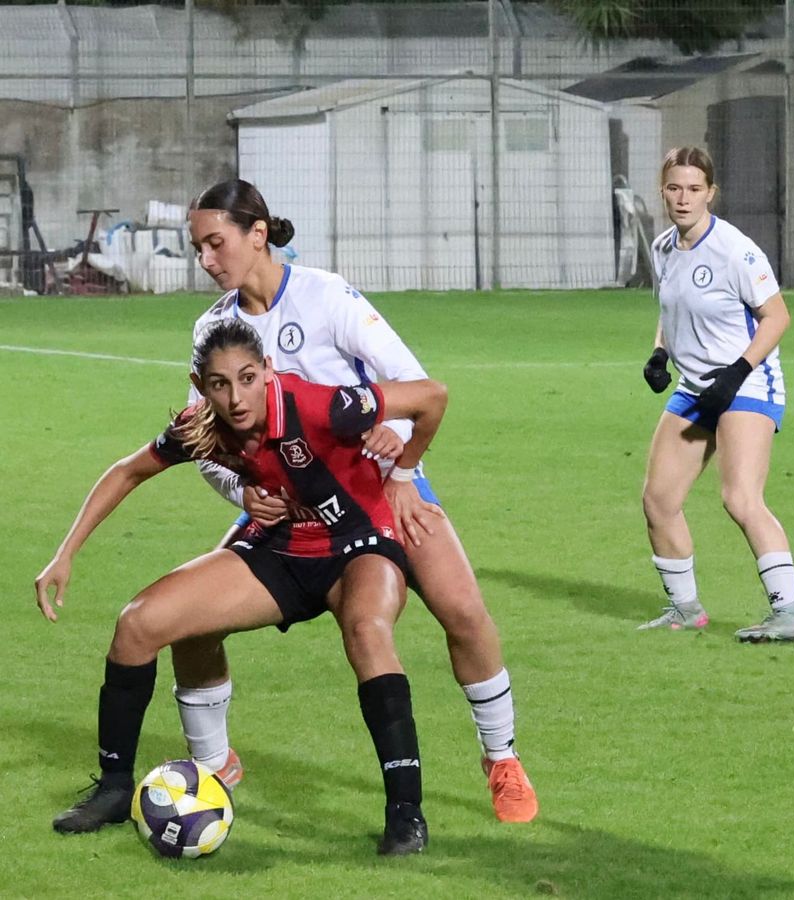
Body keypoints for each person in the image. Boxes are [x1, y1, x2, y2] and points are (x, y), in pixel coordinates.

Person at [170, 179, 537, 822]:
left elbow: (412, 381)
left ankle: (501, 757)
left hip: (381, 485)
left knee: (462, 611)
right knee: (192, 622)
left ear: (257, 234)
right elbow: (205, 443)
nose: (206, 259)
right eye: (198, 247)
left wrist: (400, 458)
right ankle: (215, 764)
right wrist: (242, 489)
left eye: (215, 242)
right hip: (288, 506)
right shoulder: (213, 329)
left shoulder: (326, 296)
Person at [35, 317, 448, 855]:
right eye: (220, 383)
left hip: (360, 544)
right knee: (138, 623)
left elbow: (432, 396)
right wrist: (65, 553)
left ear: (267, 370)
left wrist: (404, 472)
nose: (235, 397)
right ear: (200, 385)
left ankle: (405, 816)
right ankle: (114, 789)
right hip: (281, 550)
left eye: (247, 378)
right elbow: (127, 471)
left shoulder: (322, 406)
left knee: (368, 632)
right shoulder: (200, 426)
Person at [638, 146, 794, 642]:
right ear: (663, 191)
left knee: (740, 498)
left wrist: (736, 373)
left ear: (710, 193)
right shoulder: (663, 248)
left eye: (694, 189)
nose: (683, 198)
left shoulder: (736, 250)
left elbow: (777, 317)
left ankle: (791, 614)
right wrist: (659, 353)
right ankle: (685, 609)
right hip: (696, 388)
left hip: (746, 384)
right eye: (675, 188)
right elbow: (672, 310)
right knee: (658, 500)